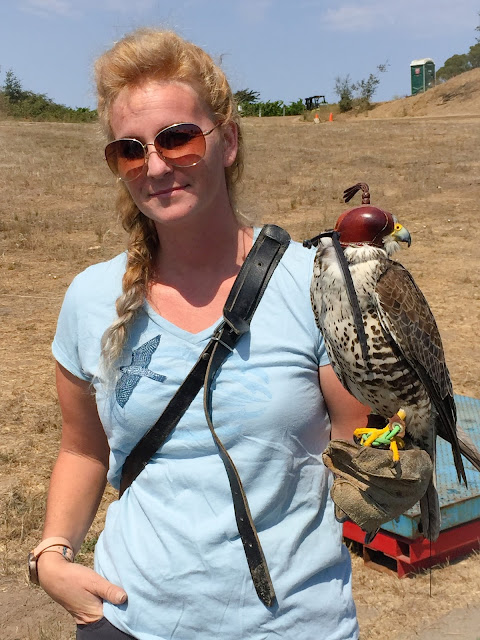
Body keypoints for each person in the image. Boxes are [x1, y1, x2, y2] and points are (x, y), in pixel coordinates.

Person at [32, 28, 370, 640]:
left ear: (229, 141)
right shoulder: (90, 299)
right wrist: (52, 555)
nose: (156, 164)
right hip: (130, 618)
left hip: (291, 625)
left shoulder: (317, 285)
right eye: (130, 150)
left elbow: (363, 446)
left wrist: (397, 459)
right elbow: (83, 448)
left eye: (178, 138)